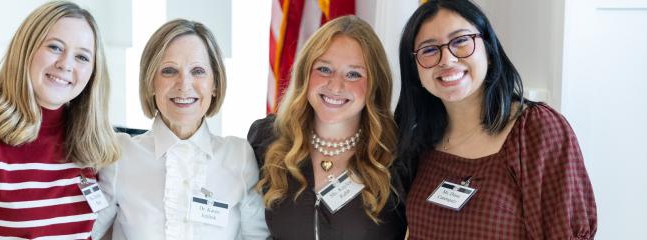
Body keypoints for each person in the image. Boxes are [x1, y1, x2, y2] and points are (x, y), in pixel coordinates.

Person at [395, 0, 597, 239]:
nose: (446, 59)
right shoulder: (420, 140)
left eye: (460, 41)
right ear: (415, 68)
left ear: (489, 50)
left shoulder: (535, 131)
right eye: (429, 50)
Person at [0, 1, 120, 239]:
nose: (66, 64)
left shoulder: (91, 143)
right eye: (54, 47)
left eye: (82, 57)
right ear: (25, 49)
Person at [92, 19, 269, 240]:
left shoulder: (238, 155)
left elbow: (258, 238)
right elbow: (85, 232)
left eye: (198, 71)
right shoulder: (120, 154)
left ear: (214, 84)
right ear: (150, 83)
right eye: (168, 71)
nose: (184, 84)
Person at [247, 15, 408, 239]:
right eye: (324, 69)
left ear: (374, 83)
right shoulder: (266, 139)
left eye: (354, 74)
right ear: (305, 72)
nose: (335, 85)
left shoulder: (399, 153)